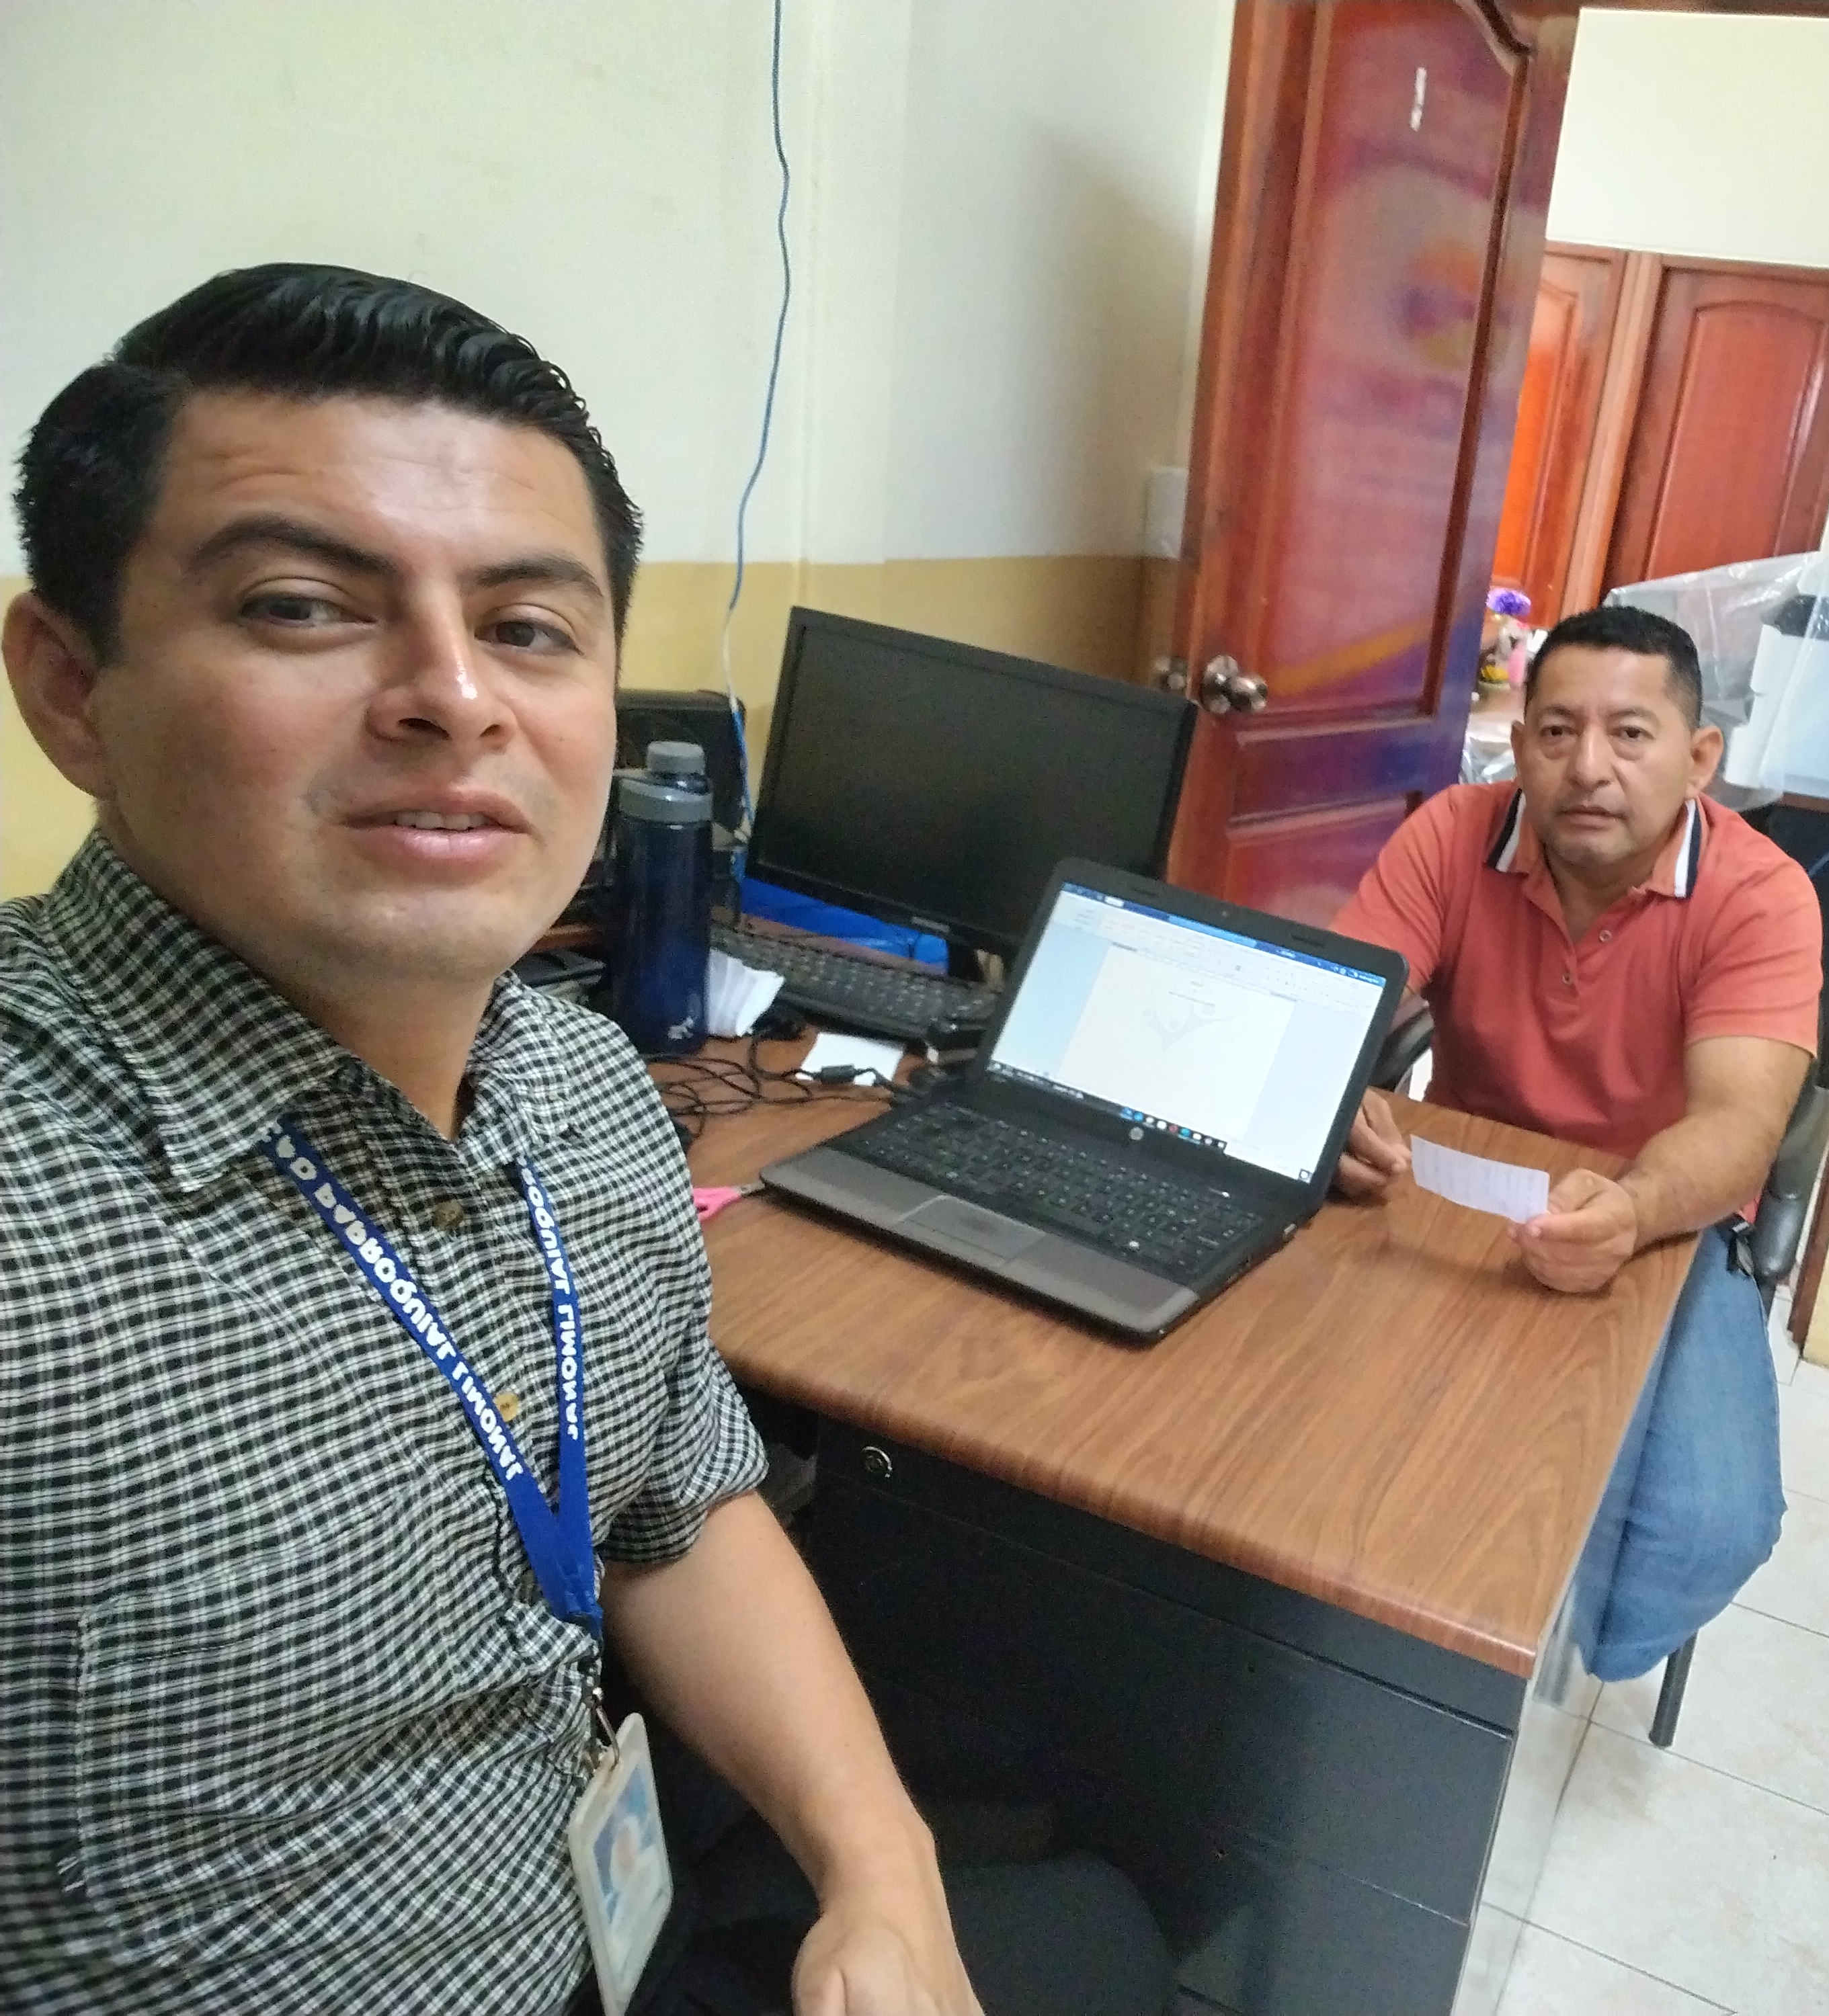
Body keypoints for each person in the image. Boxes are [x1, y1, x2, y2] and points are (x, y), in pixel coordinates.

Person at [0, 265, 1164, 2016]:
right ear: (71, 687)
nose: (454, 697)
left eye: (532, 629)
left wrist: (882, 1867)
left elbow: (673, 1504)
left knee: (1100, 1934)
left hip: (590, 1925)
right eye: (306, 607)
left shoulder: (585, 1082)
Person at [1332, 604, 1822, 1683]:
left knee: (1709, 1524)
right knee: (1314, 1409)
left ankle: (1556, 1668)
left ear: (1700, 757)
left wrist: (1634, 1211)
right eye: (1557, 732)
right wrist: (1336, 1096)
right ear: (1521, 745)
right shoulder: (1455, 832)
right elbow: (1333, 999)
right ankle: (1391, 1650)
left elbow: (1738, 1127)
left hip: (1662, 1221)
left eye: (1631, 734)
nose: (1588, 768)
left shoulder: (1761, 896)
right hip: (1460, 1185)